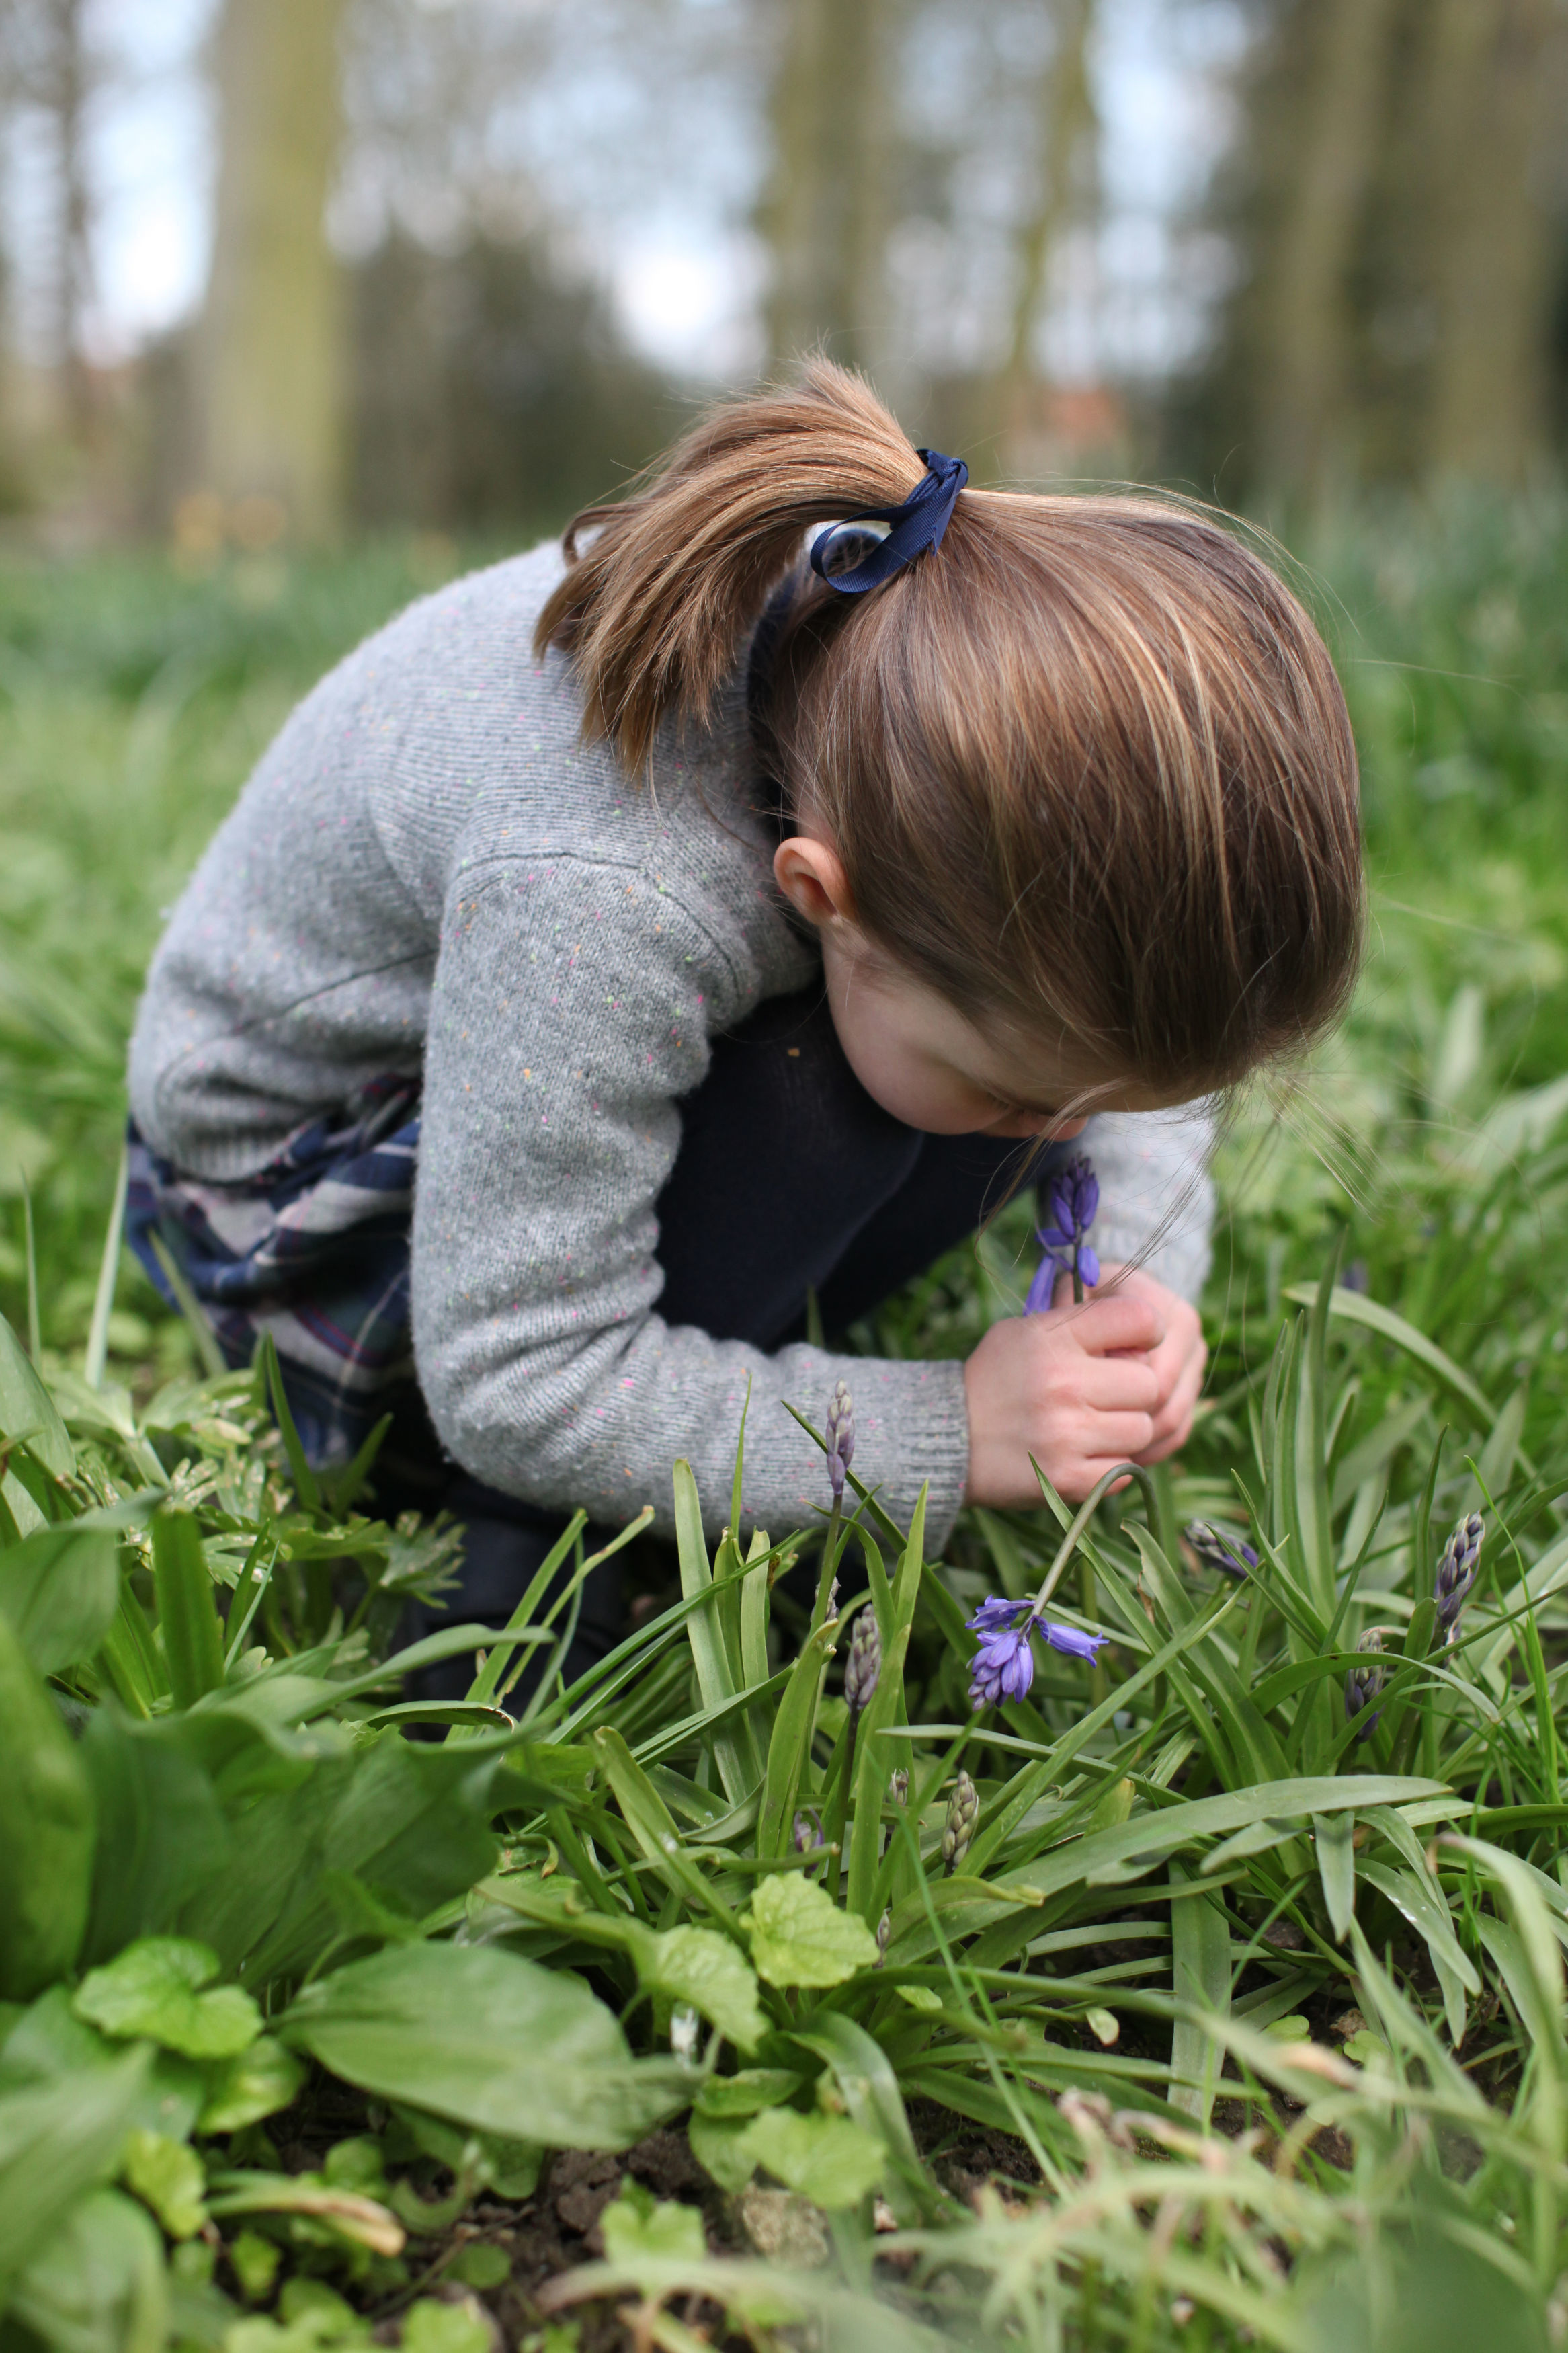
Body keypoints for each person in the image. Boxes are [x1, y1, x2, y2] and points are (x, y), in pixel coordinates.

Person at [125, 362, 1362, 1693]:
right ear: (822, 898)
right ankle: (533, 1570)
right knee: (829, 1104)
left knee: (939, 1086)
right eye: (1034, 1099)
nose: (1061, 1142)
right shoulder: (610, 887)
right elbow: (521, 1374)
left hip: (546, 1064)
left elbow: (1117, 1055)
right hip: (293, 1216)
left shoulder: (927, 737)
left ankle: (731, 1362)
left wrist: (1133, 1268)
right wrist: (949, 1429)